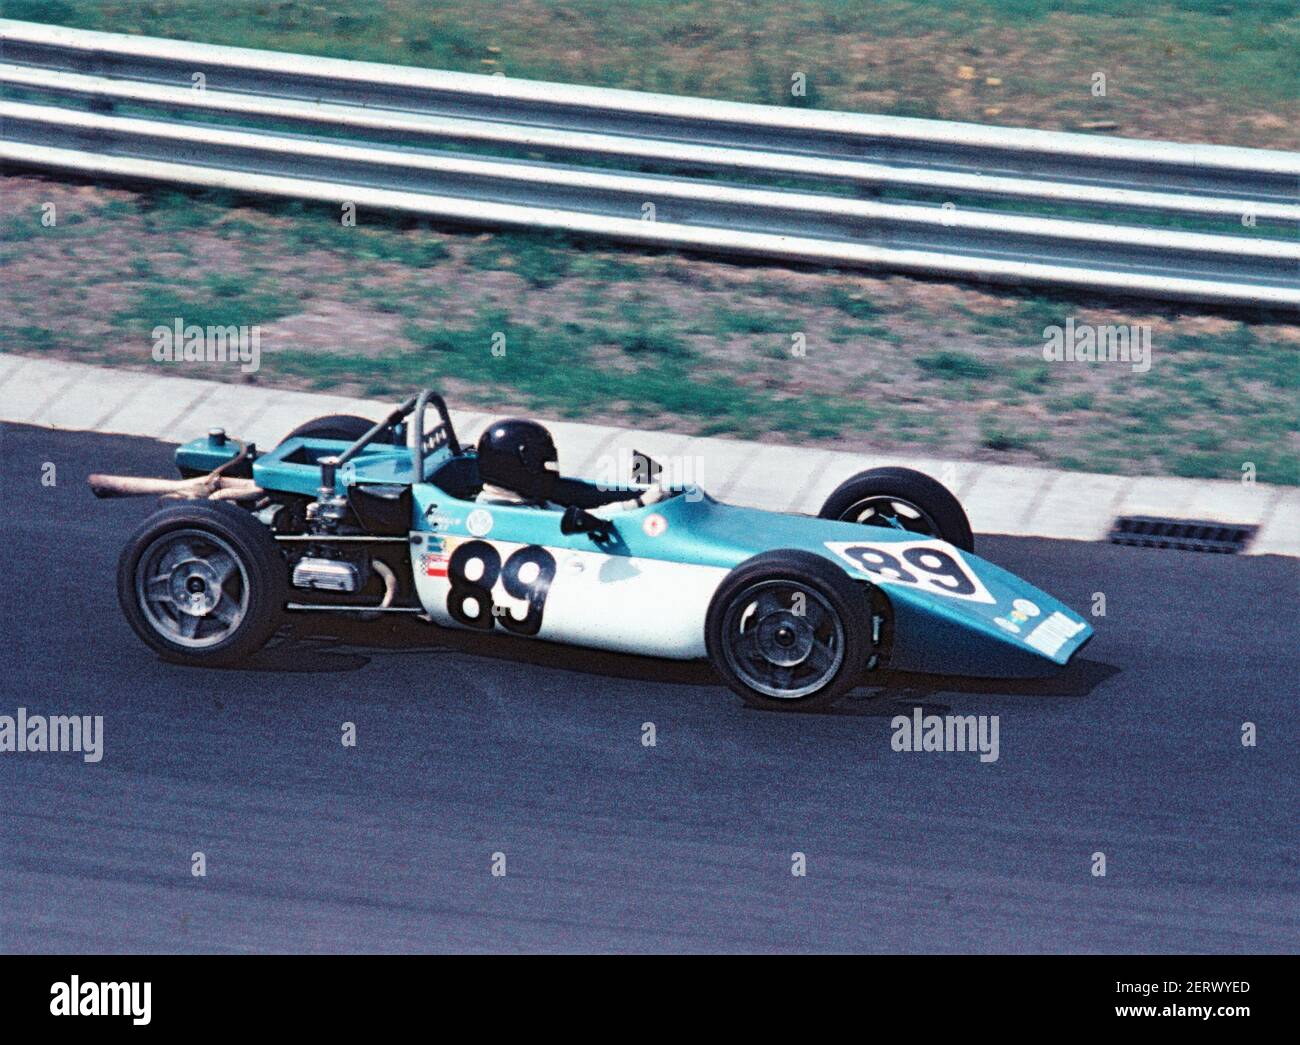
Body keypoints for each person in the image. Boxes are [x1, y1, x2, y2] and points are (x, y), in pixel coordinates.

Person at [475, 418, 664, 514]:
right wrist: (638, 504)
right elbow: (585, 519)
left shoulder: (522, 501)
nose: (549, 471)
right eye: (543, 464)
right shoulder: (505, 514)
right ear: (513, 468)